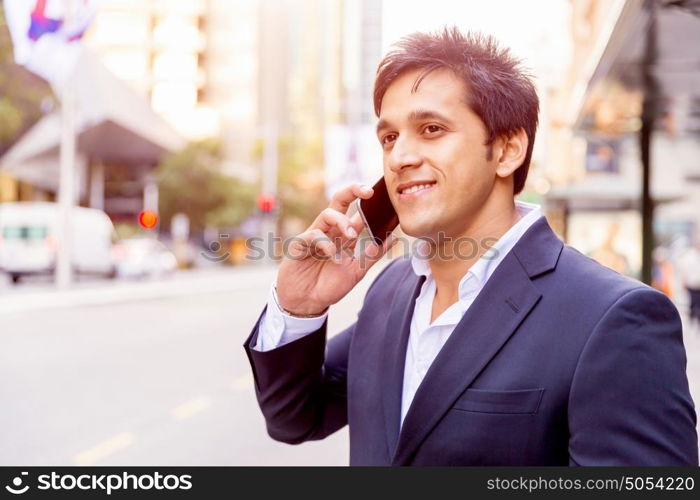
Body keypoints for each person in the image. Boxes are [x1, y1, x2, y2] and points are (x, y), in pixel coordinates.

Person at [243, 27, 698, 466]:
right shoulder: (392, 289)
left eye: (432, 129)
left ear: (506, 151)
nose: (400, 156)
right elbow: (295, 419)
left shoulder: (615, 319)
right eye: (389, 137)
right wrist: (298, 307)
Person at [678, 238, 700, 328]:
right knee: (693, 302)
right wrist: (684, 281)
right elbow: (685, 270)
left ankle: (697, 317)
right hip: (692, 284)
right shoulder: (689, 257)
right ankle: (692, 317)